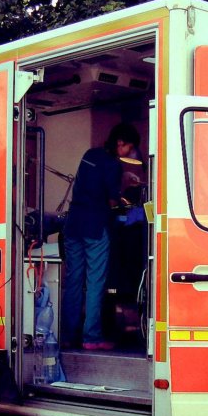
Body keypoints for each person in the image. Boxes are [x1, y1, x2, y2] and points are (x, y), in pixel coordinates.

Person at [61, 122, 139, 350]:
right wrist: (124, 184)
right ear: (120, 142)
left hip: (73, 224)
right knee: (95, 282)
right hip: (95, 227)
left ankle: (68, 336)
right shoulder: (113, 165)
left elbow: (86, 186)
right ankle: (91, 338)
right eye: (129, 147)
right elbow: (113, 202)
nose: (129, 153)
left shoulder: (90, 154)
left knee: (74, 281)